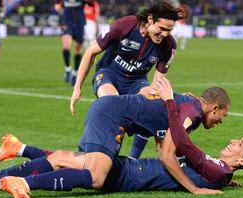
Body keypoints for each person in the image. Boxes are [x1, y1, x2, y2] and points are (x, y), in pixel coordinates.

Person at [0, 84, 231, 196]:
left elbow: (161, 137)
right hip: (112, 116)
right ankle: (23, 183)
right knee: (96, 177)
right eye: (223, 115)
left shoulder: (186, 104)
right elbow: (166, 156)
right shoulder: (194, 113)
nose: (221, 121)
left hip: (108, 110)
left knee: (70, 161)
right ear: (215, 107)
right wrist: (195, 188)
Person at [0, 135, 243, 198]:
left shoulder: (219, 170)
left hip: (135, 176)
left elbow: (183, 153)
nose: (232, 141)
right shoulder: (218, 170)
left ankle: (12, 180)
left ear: (242, 161)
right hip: (136, 168)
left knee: (80, 170)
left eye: (239, 144)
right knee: (62, 155)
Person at [70, 0, 190, 159]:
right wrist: (77, 86)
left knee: (152, 101)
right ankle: (84, 152)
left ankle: (133, 158)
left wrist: (157, 122)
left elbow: (158, 82)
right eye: (162, 29)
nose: (165, 34)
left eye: (169, 30)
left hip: (136, 81)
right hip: (108, 74)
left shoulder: (169, 46)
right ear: (150, 19)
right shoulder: (123, 26)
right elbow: (91, 52)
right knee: (111, 104)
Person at [54, 0, 88, 85]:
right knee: (66, 46)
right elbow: (57, 6)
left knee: (78, 50)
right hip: (67, 24)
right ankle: (68, 69)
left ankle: (75, 73)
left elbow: (91, 3)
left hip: (79, 25)